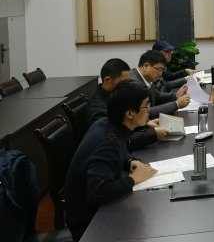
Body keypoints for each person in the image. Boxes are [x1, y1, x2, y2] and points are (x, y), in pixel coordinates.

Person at [65, 80, 157, 241]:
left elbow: (117, 152)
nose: (149, 109)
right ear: (129, 113)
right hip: (89, 223)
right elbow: (99, 192)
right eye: (146, 105)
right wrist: (133, 178)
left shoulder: (108, 125)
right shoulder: (109, 141)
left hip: (96, 211)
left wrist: (129, 161)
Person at [87, 58, 170, 150]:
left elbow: (123, 126)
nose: (128, 85)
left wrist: (145, 125)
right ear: (107, 81)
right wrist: (152, 134)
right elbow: (117, 141)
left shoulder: (118, 98)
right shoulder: (98, 111)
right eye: (124, 82)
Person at [129, 50, 191, 119]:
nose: (160, 74)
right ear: (146, 66)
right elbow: (143, 112)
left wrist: (176, 96)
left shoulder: (146, 78)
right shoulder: (132, 84)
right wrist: (176, 104)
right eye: (159, 69)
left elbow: (157, 95)